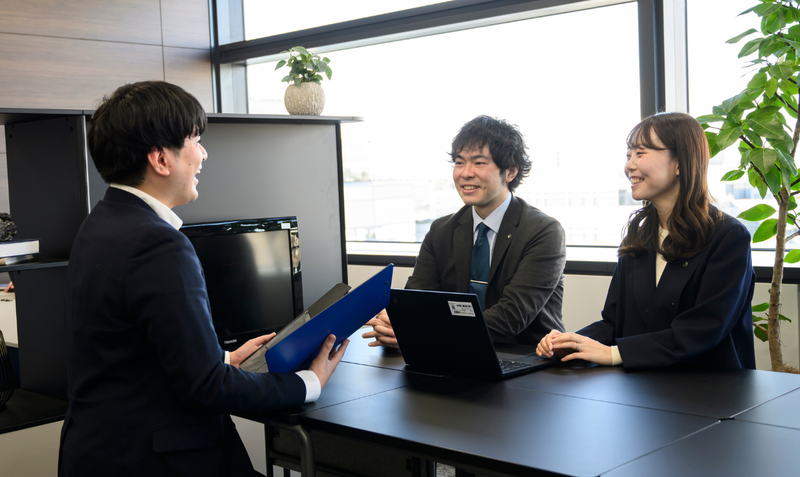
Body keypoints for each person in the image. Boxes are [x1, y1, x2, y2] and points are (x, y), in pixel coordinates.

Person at [59, 81, 348, 477]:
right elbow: (206, 387)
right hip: (156, 459)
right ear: (161, 160)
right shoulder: (157, 243)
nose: (203, 153)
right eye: (194, 139)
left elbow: (129, 352)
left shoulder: (100, 224)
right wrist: (309, 383)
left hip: (100, 452)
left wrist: (226, 358)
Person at [536, 112, 756, 369]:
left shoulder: (728, 237)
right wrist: (570, 343)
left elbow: (701, 331)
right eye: (628, 155)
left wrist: (615, 354)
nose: (629, 165)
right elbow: (614, 323)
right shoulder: (639, 234)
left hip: (708, 393)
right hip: (643, 388)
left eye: (640, 153)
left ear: (679, 163)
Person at [364, 115, 566, 347]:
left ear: (510, 172)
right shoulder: (441, 230)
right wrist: (400, 323)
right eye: (459, 162)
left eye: (479, 163)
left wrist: (420, 330)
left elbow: (512, 317)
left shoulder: (543, 232)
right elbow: (418, 300)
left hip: (525, 358)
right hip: (452, 356)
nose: (465, 173)